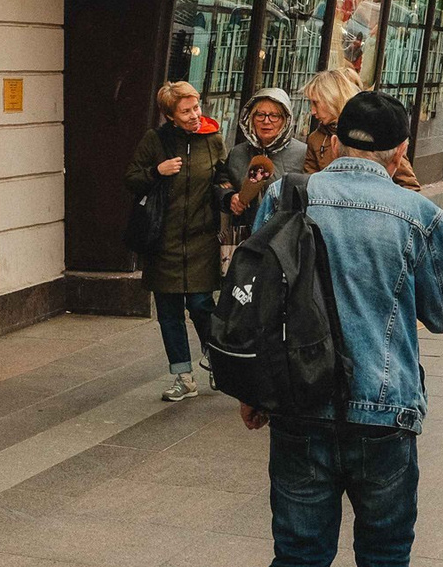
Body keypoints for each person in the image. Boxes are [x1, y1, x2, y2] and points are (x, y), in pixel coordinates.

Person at [236, 89, 443, 567]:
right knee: (384, 562)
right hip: (384, 417)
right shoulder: (418, 214)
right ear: (399, 150)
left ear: (335, 140)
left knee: (297, 559)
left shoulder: (290, 196)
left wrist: (256, 391)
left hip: (301, 408)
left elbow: (260, 295)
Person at [124, 80, 235, 401]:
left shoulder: (213, 139)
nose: (194, 115)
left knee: (202, 305)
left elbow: (223, 177)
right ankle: (183, 377)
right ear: (170, 115)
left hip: (201, 240)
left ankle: (216, 361)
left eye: (196, 107)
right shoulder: (155, 140)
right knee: (169, 312)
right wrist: (157, 171)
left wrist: (228, 193)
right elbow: (132, 178)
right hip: (163, 241)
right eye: (185, 111)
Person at [304, 67, 421, 189]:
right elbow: (309, 185)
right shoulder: (316, 139)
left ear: (332, 99)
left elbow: (409, 186)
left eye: (316, 103)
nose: (312, 111)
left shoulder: (376, 131)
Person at [226, 88, 307, 231]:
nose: (266, 121)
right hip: (245, 236)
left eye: (274, 116)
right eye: (260, 115)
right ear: (250, 118)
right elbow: (222, 184)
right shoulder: (237, 153)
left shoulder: (302, 153)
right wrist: (230, 198)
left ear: (286, 120)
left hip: (284, 236)